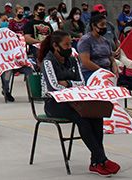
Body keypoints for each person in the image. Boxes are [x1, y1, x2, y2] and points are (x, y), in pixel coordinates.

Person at [39, 30, 120, 176]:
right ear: (56, 46)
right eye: (66, 44)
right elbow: (53, 87)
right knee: (81, 118)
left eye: (71, 43)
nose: (70, 47)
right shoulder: (48, 61)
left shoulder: (73, 59)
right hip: (54, 103)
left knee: (96, 115)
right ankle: (102, 159)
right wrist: (70, 84)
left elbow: (82, 83)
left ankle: (96, 162)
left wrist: (67, 83)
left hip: (75, 100)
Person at [79, 14, 132, 126]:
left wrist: (114, 70)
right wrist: (102, 72)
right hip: (92, 74)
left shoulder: (105, 41)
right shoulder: (85, 40)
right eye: (102, 25)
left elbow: (111, 59)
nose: (104, 27)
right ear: (94, 26)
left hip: (109, 73)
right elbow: (85, 62)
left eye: (105, 24)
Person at [0, 14, 33, 102]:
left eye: (7, 20)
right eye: (3, 20)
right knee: (7, 70)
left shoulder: (13, 34)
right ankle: (6, 91)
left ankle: (32, 93)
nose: (6, 22)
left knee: (29, 69)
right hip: (3, 62)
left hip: (16, 60)